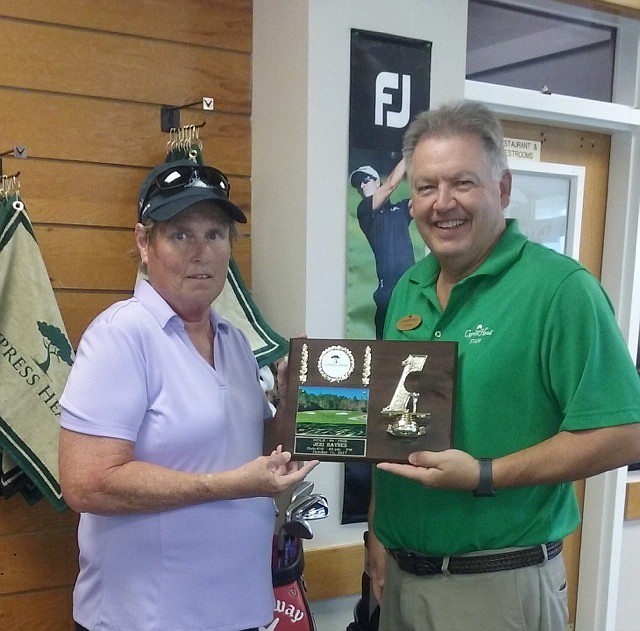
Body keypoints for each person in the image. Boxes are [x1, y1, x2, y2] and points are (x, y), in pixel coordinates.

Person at [368, 101, 640, 631]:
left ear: (504, 189)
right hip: (401, 579)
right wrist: (377, 535)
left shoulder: (561, 290)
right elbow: (392, 426)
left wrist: (485, 475)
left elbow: (625, 432)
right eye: (425, 188)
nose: (442, 204)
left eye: (462, 183)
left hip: (498, 587)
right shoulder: (408, 287)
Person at [58, 158, 318, 631]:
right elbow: (85, 482)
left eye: (215, 235)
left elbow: (257, 456)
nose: (202, 252)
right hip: (144, 621)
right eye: (181, 235)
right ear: (144, 242)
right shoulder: (121, 336)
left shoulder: (235, 342)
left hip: (240, 611)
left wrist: (291, 404)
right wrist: (225, 486)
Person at [350, 159, 415, 338]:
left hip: (409, 289)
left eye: (366, 180)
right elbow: (391, 186)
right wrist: (409, 154)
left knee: (413, 346)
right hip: (387, 292)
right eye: (358, 184)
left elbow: (423, 202)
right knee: (385, 351)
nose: (362, 186)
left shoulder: (400, 208)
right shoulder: (365, 210)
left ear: (377, 181)